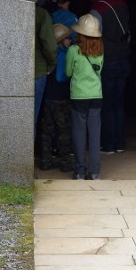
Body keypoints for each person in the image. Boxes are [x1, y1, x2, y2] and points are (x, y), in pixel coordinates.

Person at [81, 0, 130, 154]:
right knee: (118, 102)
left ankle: (108, 145)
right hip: (124, 58)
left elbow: (94, 37)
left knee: (107, 103)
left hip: (107, 60)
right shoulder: (122, 4)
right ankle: (120, 143)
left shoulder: (96, 10)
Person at [66, 14, 104, 180]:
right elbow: (99, 71)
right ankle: (95, 171)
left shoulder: (73, 50)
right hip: (96, 94)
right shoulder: (101, 51)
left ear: (80, 34)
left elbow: (68, 72)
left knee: (79, 133)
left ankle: (80, 170)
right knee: (95, 134)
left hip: (79, 96)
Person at [39, 23, 75, 173]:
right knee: (63, 130)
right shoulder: (62, 54)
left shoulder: (50, 53)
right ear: (61, 41)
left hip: (48, 96)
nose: (70, 41)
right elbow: (61, 76)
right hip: (60, 97)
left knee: (47, 130)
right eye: (67, 38)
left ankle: (46, 160)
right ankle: (65, 162)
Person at [34, 0, 57, 135]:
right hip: (39, 71)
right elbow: (49, 44)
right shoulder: (42, 14)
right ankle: (27, 156)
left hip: (13, 72)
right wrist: (52, 64)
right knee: (32, 118)